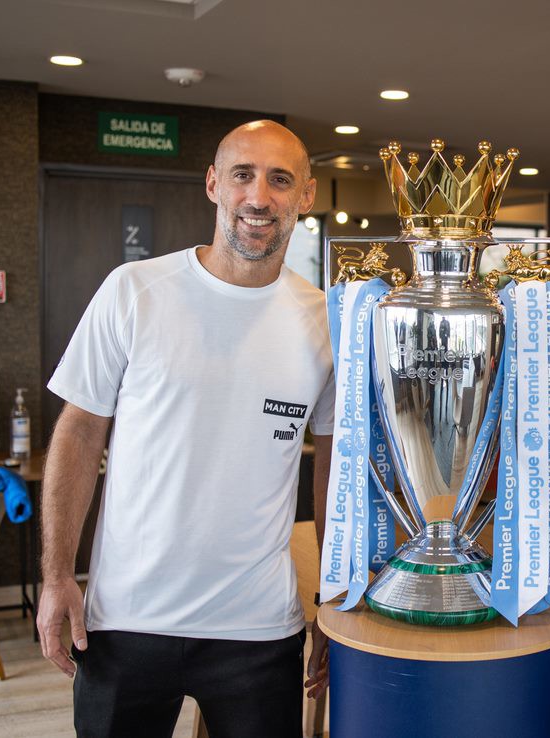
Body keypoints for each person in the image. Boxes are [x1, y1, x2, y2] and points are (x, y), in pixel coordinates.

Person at [37, 120, 334, 738]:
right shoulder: (135, 291)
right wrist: (57, 575)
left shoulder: (324, 321)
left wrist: (331, 597)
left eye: (281, 180)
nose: (259, 197)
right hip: (125, 620)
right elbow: (79, 431)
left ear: (306, 197)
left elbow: (334, 462)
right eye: (242, 175)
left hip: (258, 629)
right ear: (213, 185)